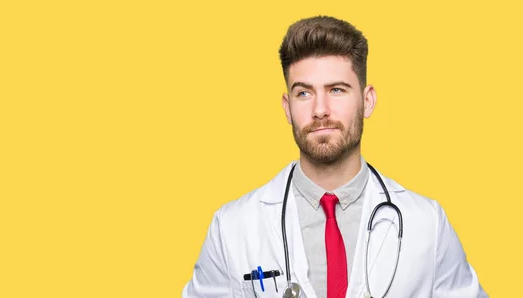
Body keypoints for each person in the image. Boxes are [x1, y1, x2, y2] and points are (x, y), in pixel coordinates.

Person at [182, 15, 487, 298]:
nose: (319, 109)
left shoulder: (427, 224)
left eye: (337, 90)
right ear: (287, 108)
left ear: (367, 101)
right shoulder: (232, 227)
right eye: (304, 93)